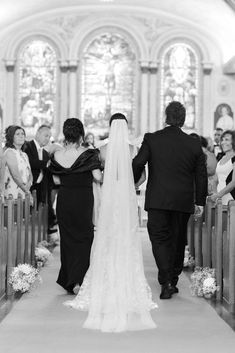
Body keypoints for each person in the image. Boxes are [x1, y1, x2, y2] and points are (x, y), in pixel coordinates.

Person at [64, 113, 157, 332]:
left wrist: (110, 182)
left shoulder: (102, 151)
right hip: (126, 197)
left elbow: (98, 177)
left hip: (109, 197)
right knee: (127, 235)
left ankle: (103, 284)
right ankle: (127, 282)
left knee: (106, 234)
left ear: (110, 127)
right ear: (126, 127)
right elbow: (142, 177)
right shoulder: (134, 150)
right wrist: (129, 184)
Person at [132, 101, 208, 300]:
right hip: (183, 200)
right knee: (177, 239)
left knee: (158, 238)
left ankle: (166, 280)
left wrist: (133, 182)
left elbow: (138, 162)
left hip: (158, 199)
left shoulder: (152, 139)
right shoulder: (193, 143)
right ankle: (171, 279)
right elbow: (201, 176)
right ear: (183, 120)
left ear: (165, 117)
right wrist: (200, 201)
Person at [48, 118, 102, 294]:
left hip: (65, 199)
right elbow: (98, 177)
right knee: (84, 238)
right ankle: (79, 280)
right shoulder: (89, 154)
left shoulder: (57, 155)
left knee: (68, 239)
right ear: (81, 134)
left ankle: (70, 280)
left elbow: (56, 179)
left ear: (65, 134)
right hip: (83, 199)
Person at [23, 125, 56, 232]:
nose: (48, 139)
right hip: (28, 186)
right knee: (26, 215)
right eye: (46, 135)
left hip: (41, 189)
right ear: (37, 133)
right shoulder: (27, 146)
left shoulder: (46, 153)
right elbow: (29, 162)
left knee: (38, 214)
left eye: (49, 137)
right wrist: (46, 164)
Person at [3, 125, 32, 199]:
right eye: (17, 134)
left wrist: (29, 185)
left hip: (24, 191)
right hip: (12, 193)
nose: (21, 136)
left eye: (22, 134)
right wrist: (27, 191)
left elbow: (30, 174)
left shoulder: (24, 154)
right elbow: (15, 175)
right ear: (11, 137)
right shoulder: (9, 152)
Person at [211, 130, 235, 205]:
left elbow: (234, 182)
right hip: (219, 199)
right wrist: (215, 193)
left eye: (227, 140)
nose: (223, 142)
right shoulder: (221, 158)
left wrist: (218, 195)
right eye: (222, 140)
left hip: (231, 198)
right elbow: (215, 180)